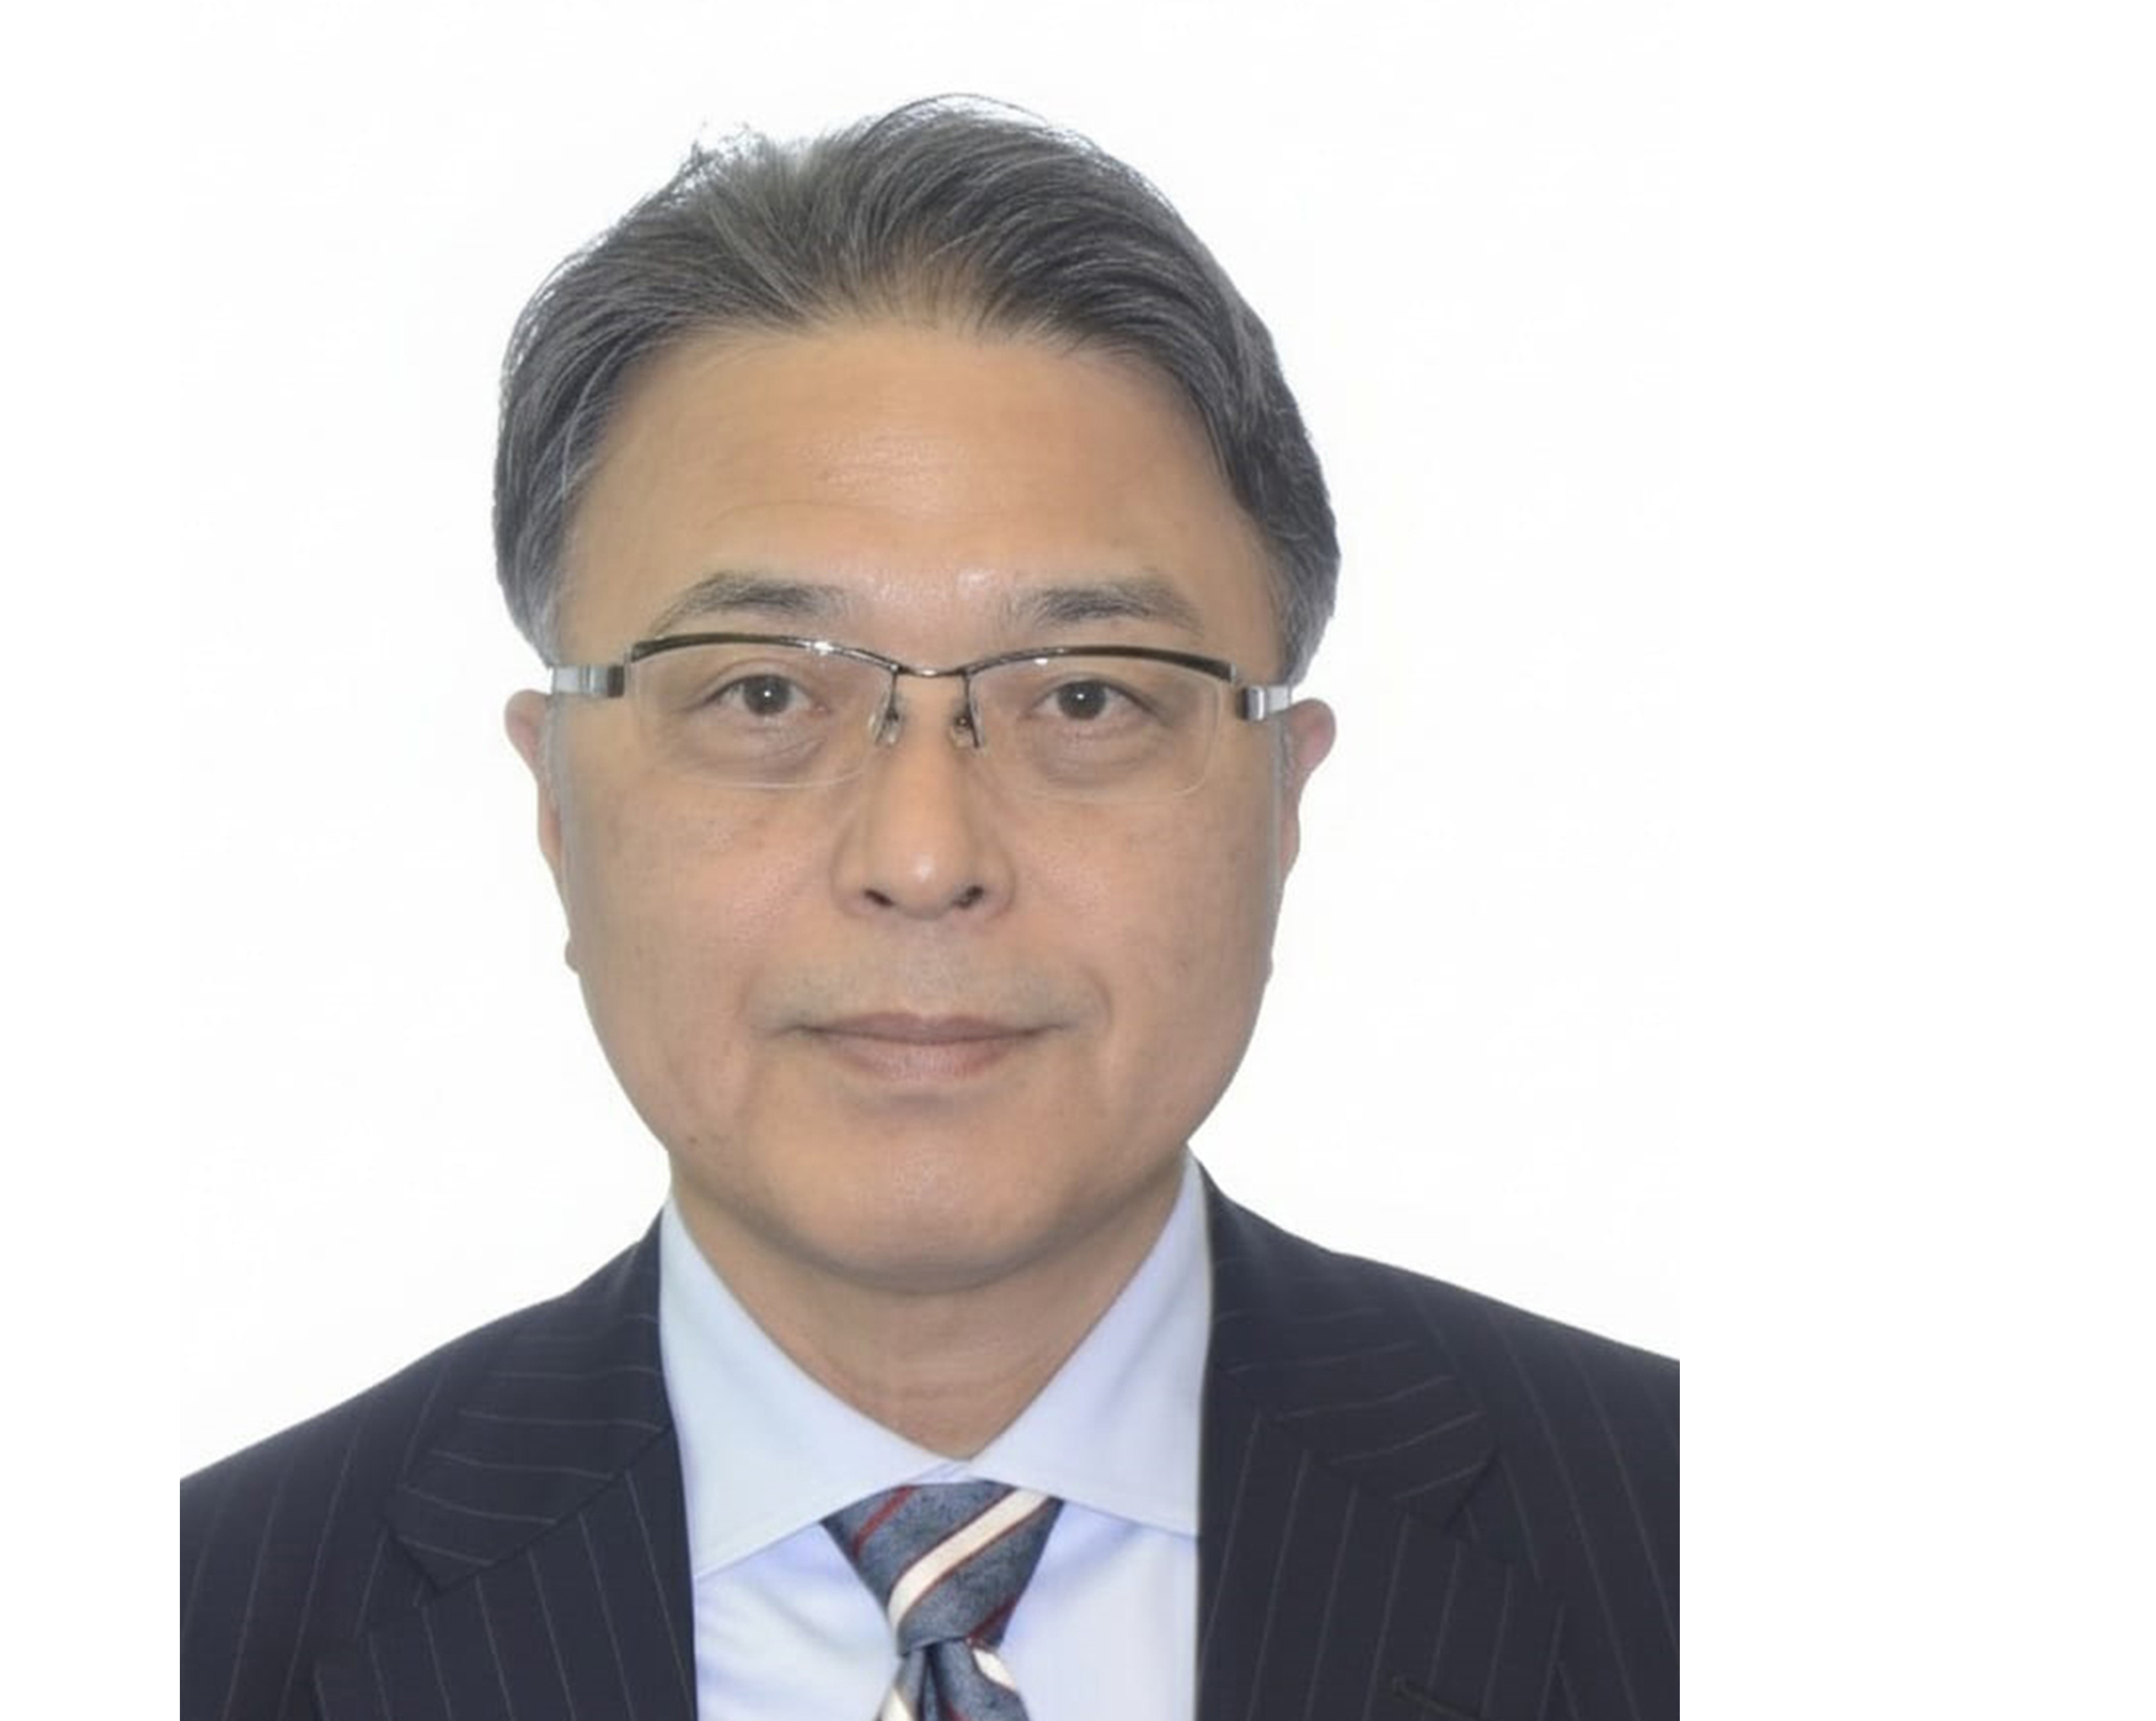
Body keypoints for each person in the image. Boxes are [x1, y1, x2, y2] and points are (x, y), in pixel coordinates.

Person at [181, 98, 1676, 1721]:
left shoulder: (1687, 1547)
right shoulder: (198, 1623)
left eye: (1087, 696)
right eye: (763, 691)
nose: (922, 852)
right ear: (556, 804)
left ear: (1281, 799)